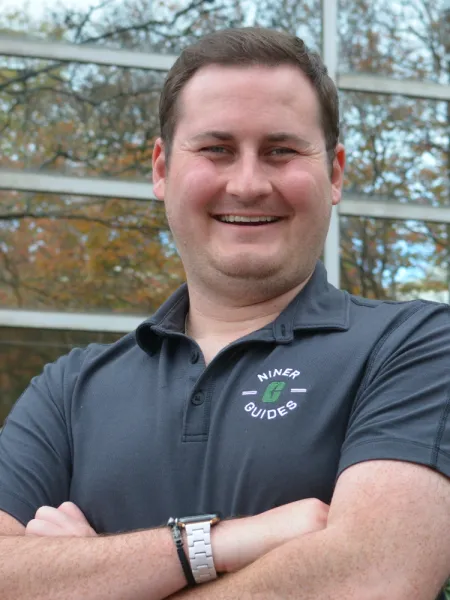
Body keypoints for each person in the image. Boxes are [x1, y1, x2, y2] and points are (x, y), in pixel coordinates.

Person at [0, 26, 449, 600]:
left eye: (281, 151)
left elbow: (373, 579)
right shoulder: (68, 391)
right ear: (161, 169)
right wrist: (227, 542)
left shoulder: (416, 347)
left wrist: (84, 573)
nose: (248, 183)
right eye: (217, 149)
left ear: (334, 173)